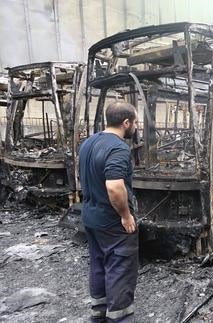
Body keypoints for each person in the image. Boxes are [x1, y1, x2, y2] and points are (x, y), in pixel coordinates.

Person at [79, 101, 138, 323]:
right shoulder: (118, 148)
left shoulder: (88, 143)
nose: (136, 127)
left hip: (91, 218)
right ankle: (119, 318)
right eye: (135, 122)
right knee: (119, 268)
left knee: (98, 264)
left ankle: (99, 315)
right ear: (126, 122)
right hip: (113, 222)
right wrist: (125, 215)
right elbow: (114, 186)